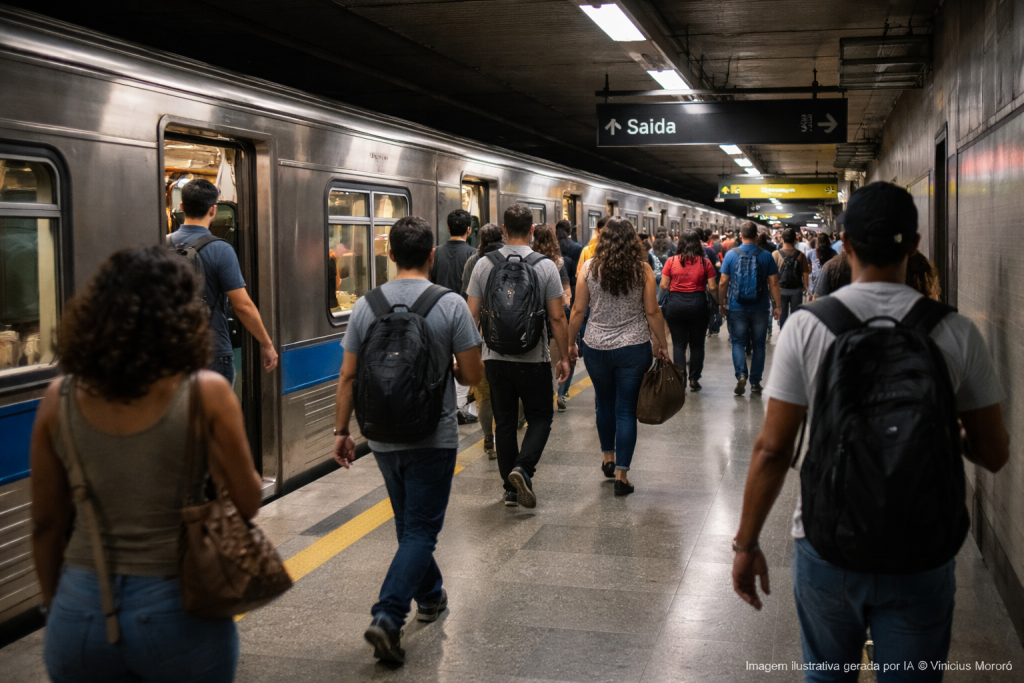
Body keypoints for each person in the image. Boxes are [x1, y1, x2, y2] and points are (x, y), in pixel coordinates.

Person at [731, 182, 1009, 681]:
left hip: (827, 539)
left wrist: (746, 544)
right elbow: (994, 452)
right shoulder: (955, 331)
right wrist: (941, 431)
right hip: (922, 545)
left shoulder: (807, 327)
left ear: (847, 244)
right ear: (915, 245)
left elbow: (773, 450)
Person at [31, 246, 262, 683]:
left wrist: (56, 606)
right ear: (181, 315)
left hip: (80, 605)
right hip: (177, 604)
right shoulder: (207, 393)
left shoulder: (57, 399)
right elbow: (247, 502)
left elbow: (45, 523)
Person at [333, 216, 484, 665]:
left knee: (408, 526)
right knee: (420, 530)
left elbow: (347, 376)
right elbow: (472, 375)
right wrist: (446, 366)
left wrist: (342, 432)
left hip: (381, 437)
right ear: (431, 255)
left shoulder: (366, 305)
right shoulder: (450, 304)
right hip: (433, 436)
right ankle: (388, 615)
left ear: (390, 254)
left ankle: (432, 596)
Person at [467, 204, 570, 508]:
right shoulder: (545, 266)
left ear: (504, 228)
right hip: (533, 357)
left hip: (494, 357)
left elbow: (471, 316)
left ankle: (510, 491)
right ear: (532, 231)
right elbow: (557, 317)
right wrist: (565, 356)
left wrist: (471, 357)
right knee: (541, 416)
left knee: (505, 422)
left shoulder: (484, 264)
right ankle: (523, 468)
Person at [568, 219, 669, 495]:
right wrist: (661, 343)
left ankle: (608, 458)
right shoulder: (642, 269)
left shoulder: (589, 268)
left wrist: (570, 343)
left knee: (604, 404)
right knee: (626, 410)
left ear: (603, 239)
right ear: (632, 240)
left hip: (597, 346)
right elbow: (652, 311)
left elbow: (578, 310)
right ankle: (622, 477)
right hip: (633, 347)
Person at [169, 179, 277, 384]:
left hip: (171, 349)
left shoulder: (162, 244)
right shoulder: (221, 249)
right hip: (212, 350)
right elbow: (242, 306)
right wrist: (266, 343)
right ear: (213, 210)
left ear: (182, 207)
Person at [718, 222, 781, 396]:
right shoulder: (766, 256)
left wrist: (721, 303)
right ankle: (755, 382)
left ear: (740, 235)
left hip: (737, 307)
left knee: (738, 343)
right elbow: (774, 282)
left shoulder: (731, 255)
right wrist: (777, 305)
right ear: (756, 236)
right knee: (759, 344)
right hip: (760, 307)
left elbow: (723, 282)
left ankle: (741, 375)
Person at [459, 223, 504, 458]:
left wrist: (469, 344)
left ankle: (488, 437)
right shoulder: (513, 258)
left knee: (485, 393)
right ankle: (509, 432)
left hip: (483, 337)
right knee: (508, 389)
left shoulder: (474, 262)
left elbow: (470, 306)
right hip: (512, 335)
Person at [430, 209, 479, 424]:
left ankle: (444, 405)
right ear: (469, 229)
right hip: (463, 316)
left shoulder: (436, 253)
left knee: (443, 362)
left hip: (437, 315)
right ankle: (459, 408)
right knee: (462, 362)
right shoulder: (473, 255)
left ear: (448, 228)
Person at [660, 230, 719, 391]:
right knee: (697, 344)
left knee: (679, 344)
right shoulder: (705, 263)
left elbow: (664, 285)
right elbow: (713, 287)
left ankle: (680, 380)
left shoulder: (671, 261)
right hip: (698, 304)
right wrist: (718, 302)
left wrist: (660, 299)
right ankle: (694, 378)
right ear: (698, 244)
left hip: (675, 305)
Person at [532, 223, 573, 411]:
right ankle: (558, 394)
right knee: (554, 363)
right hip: (553, 323)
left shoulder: (527, 260)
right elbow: (567, 297)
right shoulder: (558, 263)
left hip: (532, 321)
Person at [556, 220, 583, 405]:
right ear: (570, 231)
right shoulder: (577, 248)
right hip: (571, 297)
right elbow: (578, 275)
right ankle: (562, 392)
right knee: (569, 346)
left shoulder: (549, 250)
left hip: (551, 300)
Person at [772, 228, 811, 329]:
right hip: (796, 290)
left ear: (782, 239)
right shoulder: (801, 255)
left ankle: (783, 334)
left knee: (782, 316)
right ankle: (794, 335)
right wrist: (806, 288)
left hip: (781, 290)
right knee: (796, 316)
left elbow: (772, 276)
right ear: (795, 240)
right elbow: (805, 273)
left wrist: (772, 290)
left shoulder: (775, 254)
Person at [806, 232, 837, 297]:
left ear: (817, 243)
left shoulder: (811, 253)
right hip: (829, 288)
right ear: (828, 242)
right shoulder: (834, 253)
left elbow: (808, 270)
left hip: (814, 289)